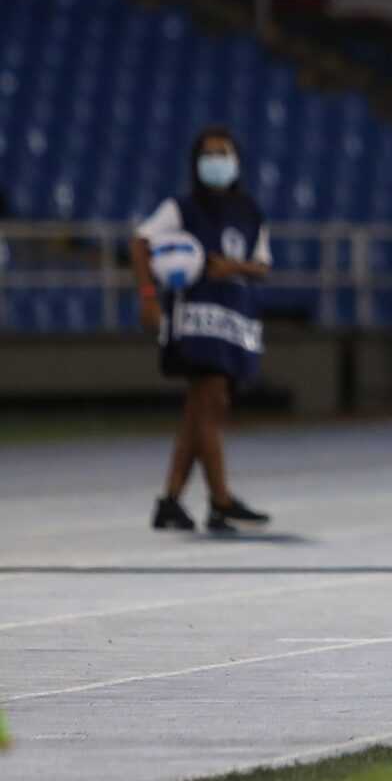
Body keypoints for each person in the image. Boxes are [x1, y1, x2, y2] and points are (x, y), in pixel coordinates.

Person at [133, 127, 273, 532]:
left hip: (232, 317)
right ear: (196, 163)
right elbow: (140, 242)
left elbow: (262, 265)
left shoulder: (250, 212)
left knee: (203, 408)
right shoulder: (183, 208)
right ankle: (221, 499)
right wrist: (148, 295)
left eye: (224, 153)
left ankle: (170, 500)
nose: (217, 161)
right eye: (209, 154)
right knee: (209, 401)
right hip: (196, 317)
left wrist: (235, 268)